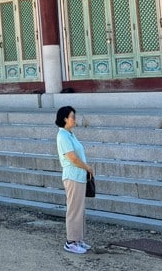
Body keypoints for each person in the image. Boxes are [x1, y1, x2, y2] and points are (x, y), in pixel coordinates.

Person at [55, 106, 93, 255]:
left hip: (78, 176)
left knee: (79, 209)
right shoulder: (63, 136)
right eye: (72, 117)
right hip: (72, 176)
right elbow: (72, 157)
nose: (74, 119)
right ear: (65, 119)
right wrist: (87, 167)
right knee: (74, 209)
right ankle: (71, 241)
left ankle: (78, 239)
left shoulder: (70, 134)